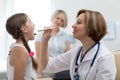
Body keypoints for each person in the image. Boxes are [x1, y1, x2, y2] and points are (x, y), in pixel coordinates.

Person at [39, 9, 116, 80]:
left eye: (78, 22)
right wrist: (45, 42)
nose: (73, 25)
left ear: (91, 28)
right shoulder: (76, 52)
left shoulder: (105, 57)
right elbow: (48, 66)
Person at [35, 10, 75, 79]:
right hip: (46, 67)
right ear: (53, 18)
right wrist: (38, 73)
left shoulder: (66, 36)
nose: (59, 21)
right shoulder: (41, 35)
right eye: (57, 18)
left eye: (62, 20)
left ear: (63, 23)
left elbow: (68, 56)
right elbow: (38, 56)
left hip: (60, 69)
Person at [6, 13, 38, 80]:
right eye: (30, 21)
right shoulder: (20, 51)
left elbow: (31, 58)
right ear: (24, 29)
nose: (34, 25)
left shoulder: (20, 48)